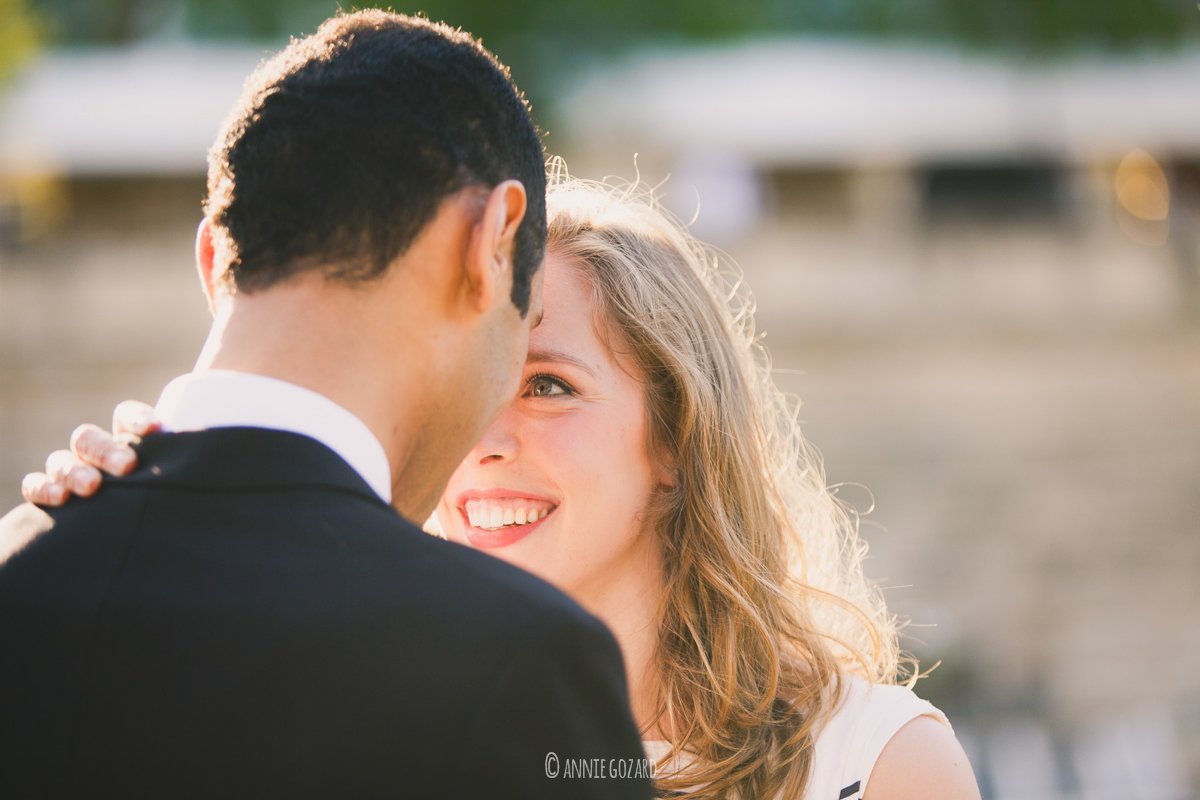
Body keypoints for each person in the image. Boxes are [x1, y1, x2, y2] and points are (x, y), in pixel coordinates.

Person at [27, 169, 982, 799]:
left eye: (548, 387)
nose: (481, 440)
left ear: (680, 439)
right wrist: (128, 525)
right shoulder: (363, 732)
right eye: (472, 391)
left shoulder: (875, 766)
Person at [0, 12, 653, 800]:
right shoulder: (515, 662)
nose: (491, 432)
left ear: (212, 262)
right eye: (526, 328)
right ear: (489, 243)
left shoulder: (22, 572)